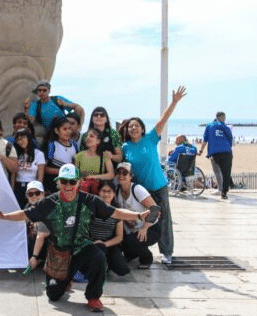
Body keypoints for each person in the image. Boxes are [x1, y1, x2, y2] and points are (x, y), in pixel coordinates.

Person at [0, 164, 151, 312]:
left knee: (98, 255)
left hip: (82, 249)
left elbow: (115, 212)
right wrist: (3, 216)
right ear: (59, 183)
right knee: (53, 296)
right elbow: (25, 214)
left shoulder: (89, 200)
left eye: (72, 182)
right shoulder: (49, 203)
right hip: (59, 254)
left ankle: (93, 297)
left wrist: (138, 215)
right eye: (64, 182)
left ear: (78, 182)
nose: (68, 186)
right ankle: (64, 281)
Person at [119, 85, 187, 265]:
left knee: (164, 219)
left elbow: (162, 120)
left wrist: (174, 102)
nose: (133, 128)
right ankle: (142, 250)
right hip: (141, 190)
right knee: (142, 219)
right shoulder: (125, 147)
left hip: (158, 185)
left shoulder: (150, 138)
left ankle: (167, 252)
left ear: (142, 129)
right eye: (130, 126)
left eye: (136, 126)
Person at [115, 162, 161, 269]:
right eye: (118, 172)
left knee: (132, 241)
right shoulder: (117, 191)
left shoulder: (137, 189)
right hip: (132, 229)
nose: (121, 175)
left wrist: (144, 228)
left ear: (131, 176)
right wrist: (127, 221)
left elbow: (155, 210)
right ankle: (132, 254)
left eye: (125, 172)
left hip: (150, 227)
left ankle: (147, 258)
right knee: (120, 239)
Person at [90, 180, 129, 276]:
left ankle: (106, 262)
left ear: (114, 194)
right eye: (103, 191)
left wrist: (104, 244)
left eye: (109, 191)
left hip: (109, 244)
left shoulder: (118, 211)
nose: (106, 194)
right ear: (98, 192)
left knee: (123, 270)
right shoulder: (91, 207)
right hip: (92, 244)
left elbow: (119, 237)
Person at [198, 111, 233, 199]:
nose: (224, 120)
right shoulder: (226, 127)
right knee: (226, 172)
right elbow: (230, 140)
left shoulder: (209, 126)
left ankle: (220, 190)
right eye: (224, 118)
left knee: (217, 171)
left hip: (215, 152)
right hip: (227, 152)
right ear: (221, 118)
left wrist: (201, 151)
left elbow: (205, 140)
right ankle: (224, 192)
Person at [42, 116, 79, 194]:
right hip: (53, 186)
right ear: (56, 130)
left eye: (70, 129)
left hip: (70, 185)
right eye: (65, 129)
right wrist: (63, 172)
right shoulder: (51, 145)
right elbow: (44, 168)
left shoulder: (74, 145)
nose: (68, 132)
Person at [12, 128, 45, 208]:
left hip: (31, 187)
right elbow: (14, 172)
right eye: (18, 139)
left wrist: (38, 190)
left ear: (29, 138)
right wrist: (12, 188)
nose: (20, 141)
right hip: (18, 185)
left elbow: (40, 176)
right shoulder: (16, 154)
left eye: (23, 138)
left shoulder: (38, 154)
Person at [75, 128, 115, 195]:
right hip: (83, 191)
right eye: (87, 136)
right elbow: (76, 174)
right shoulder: (79, 156)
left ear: (98, 141)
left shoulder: (104, 155)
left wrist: (92, 177)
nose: (88, 138)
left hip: (98, 192)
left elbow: (111, 175)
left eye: (91, 136)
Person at [24, 180, 50, 270]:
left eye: (37, 193)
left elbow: (41, 235)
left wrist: (34, 256)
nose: (34, 196)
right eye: (30, 194)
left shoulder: (46, 208)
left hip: (47, 249)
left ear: (43, 194)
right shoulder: (28, 207)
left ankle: (40, 259)